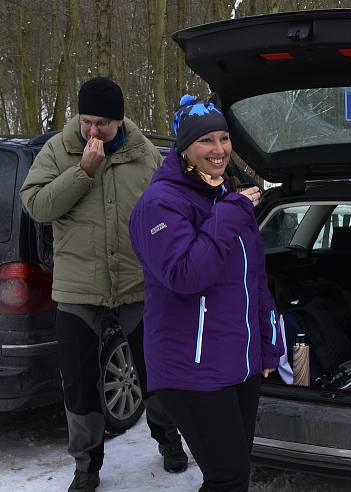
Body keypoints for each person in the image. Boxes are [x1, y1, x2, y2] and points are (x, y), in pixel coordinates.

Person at [19, 77, 188, 492]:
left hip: (136, 282)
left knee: (156, 373)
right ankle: (87, 465)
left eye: (104, 124)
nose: (93, 131)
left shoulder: (142, 152)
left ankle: (169, 441)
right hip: (78, 288)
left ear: (121, 120)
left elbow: (169, 203)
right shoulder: (58, 150)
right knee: (78, 383)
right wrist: (83, 172)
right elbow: (38, 206)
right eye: (88, 121)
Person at [128, 95, 284, 492]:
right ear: (184, 149)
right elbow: (185, 275)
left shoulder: (224, 196)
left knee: (234, 472)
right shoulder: (159, 204)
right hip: (191, 368)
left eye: (223, 138)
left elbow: (255, 282)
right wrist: (229, 213)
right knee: (227, 477)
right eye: (206, 142)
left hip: (239, 361)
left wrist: (266, 346)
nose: (219, 150)